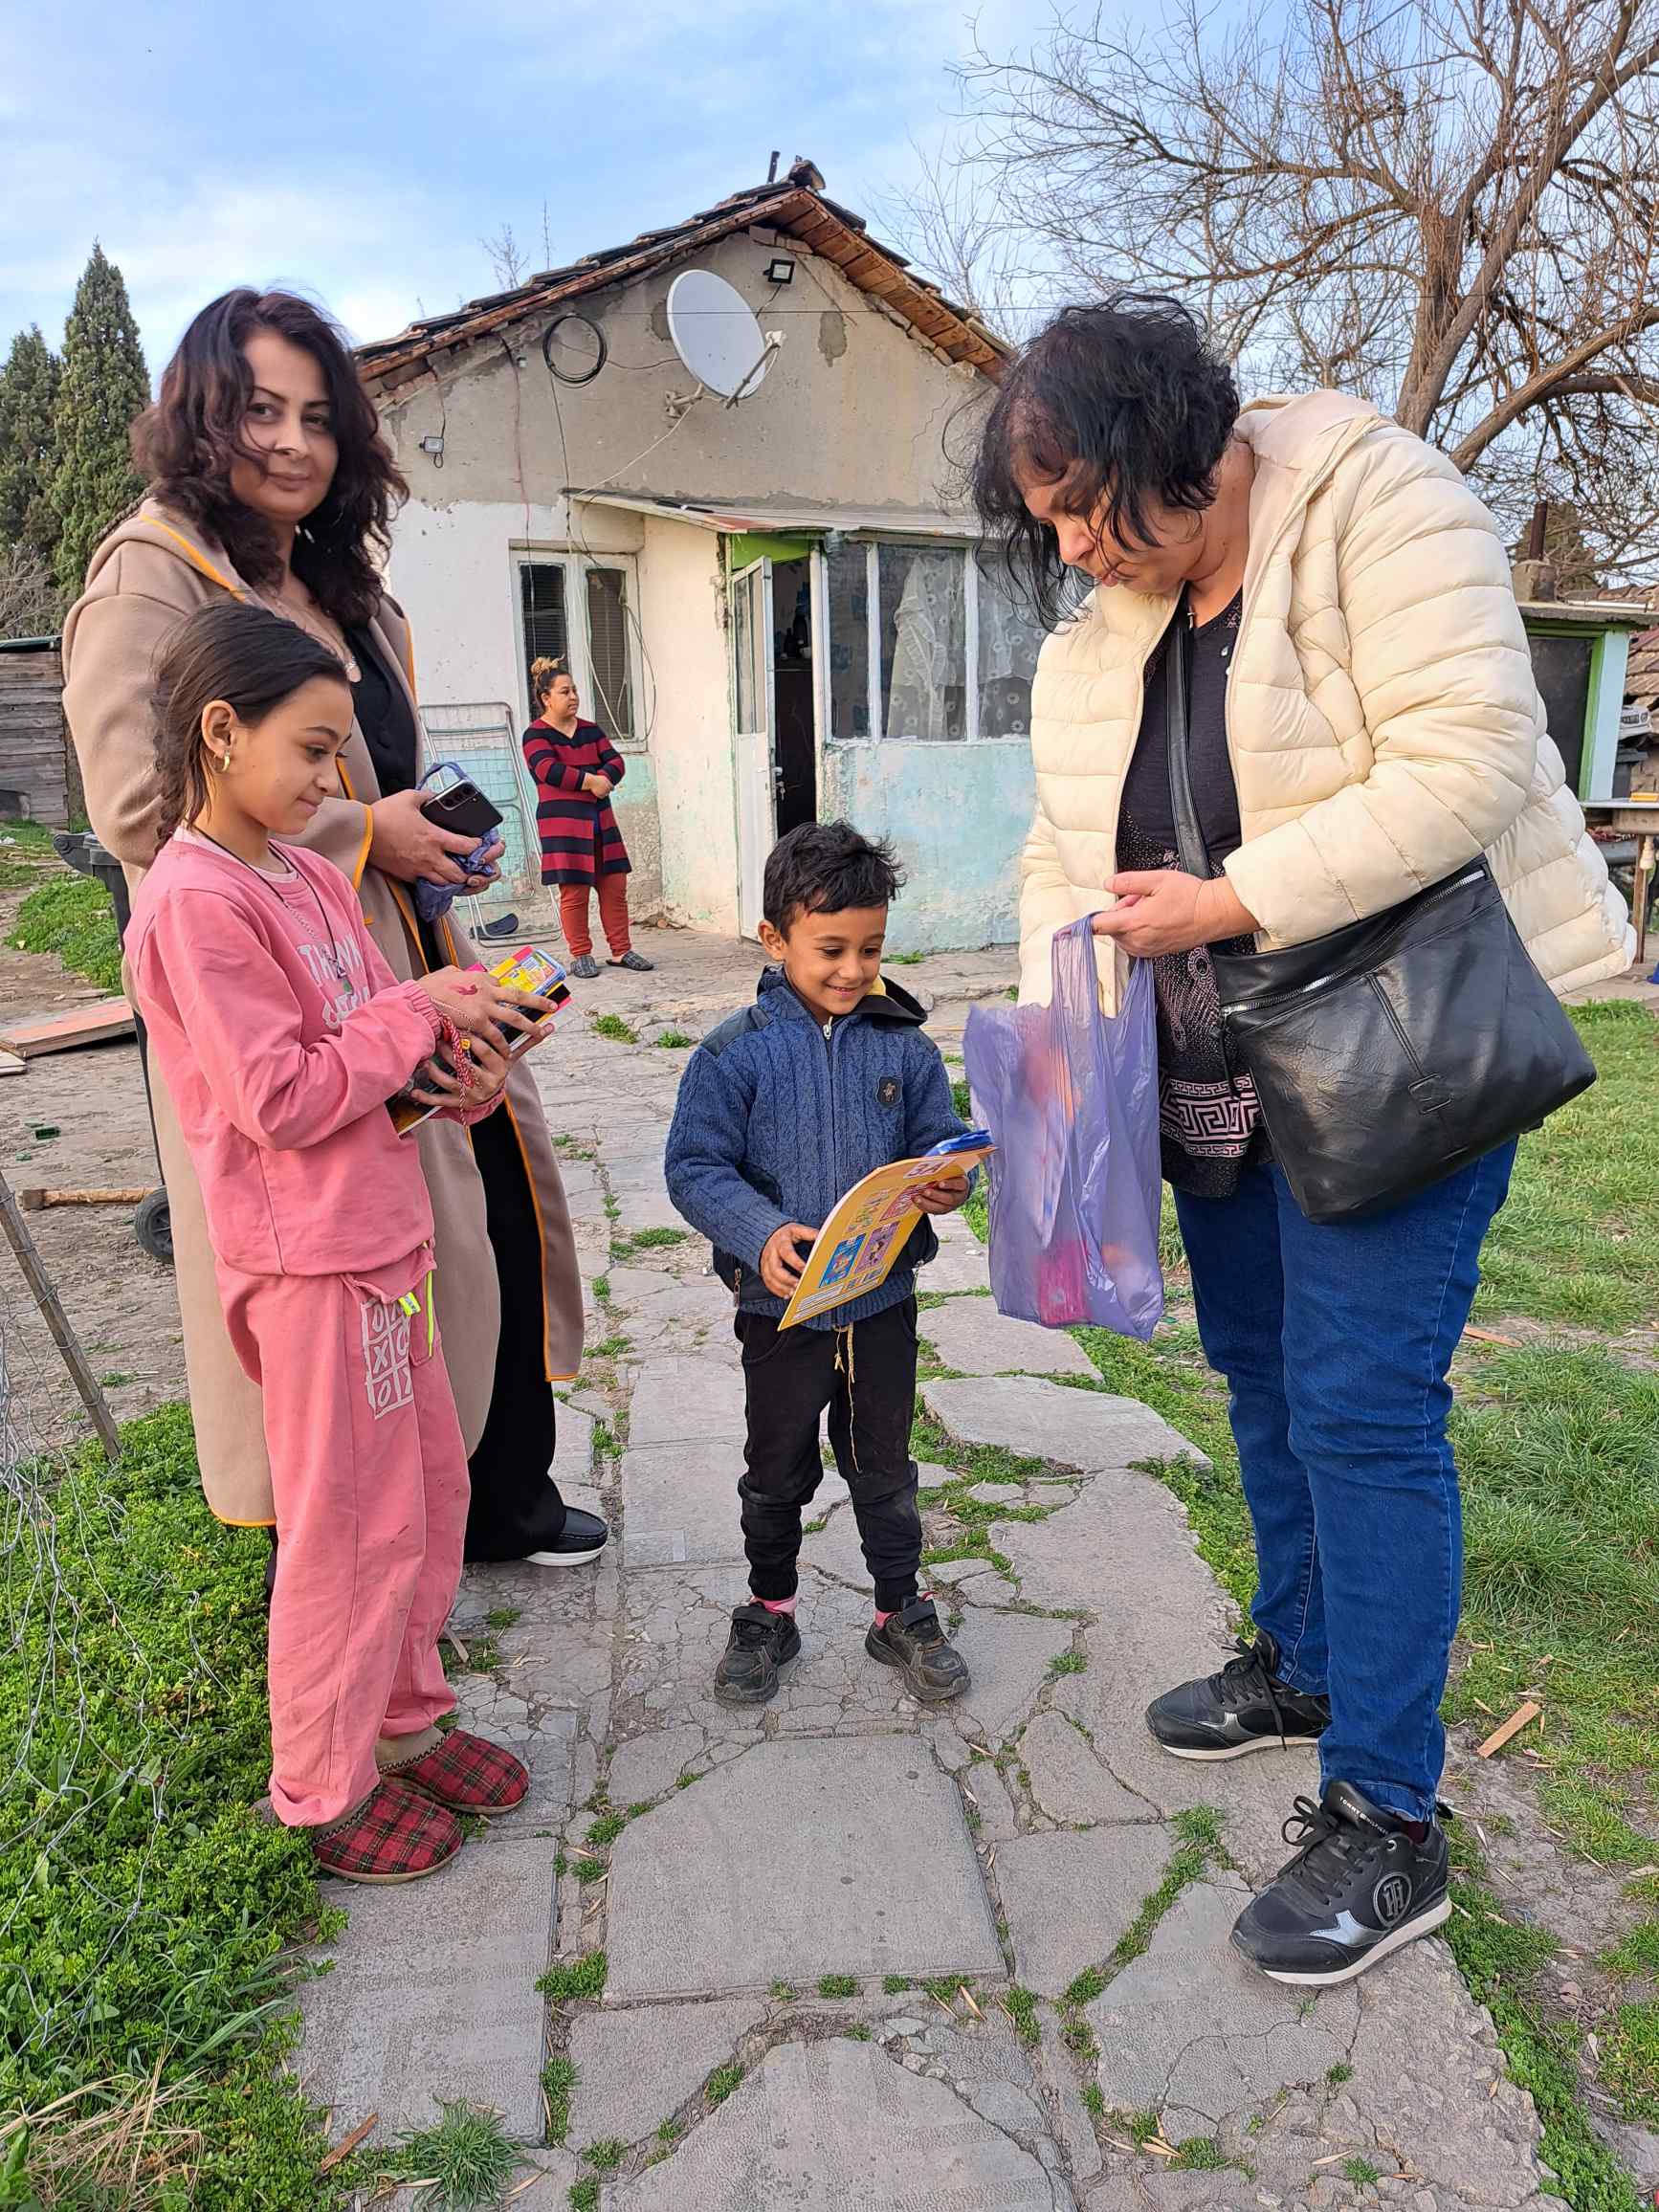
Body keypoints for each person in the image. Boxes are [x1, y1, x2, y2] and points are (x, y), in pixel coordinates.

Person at [973, 295, 1632, 1986]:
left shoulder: (1379, 501)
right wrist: (1057, 1040)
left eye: (1079, 507)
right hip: (1209, 1063)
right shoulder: (1100, 631)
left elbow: (1468, 762)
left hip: (1392, 1042)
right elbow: (1059, 849)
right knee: (1258, 1375)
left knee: (1360, 1406)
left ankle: (1388, 1814)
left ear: (1171, 452)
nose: (1068, 548)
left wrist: (1227, 900)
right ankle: (1303, 1659)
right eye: (1044, 520)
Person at [61, 288, 603, 1569]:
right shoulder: (150, 575)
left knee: (495, 1218)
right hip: (291, 994)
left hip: (411, 957)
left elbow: (373, 765)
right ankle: (364, 1565)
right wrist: (369, 835)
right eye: (260, 411)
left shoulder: (334, 580)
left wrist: (430, 840)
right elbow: (139, 807)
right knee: (365, 1272)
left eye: (317, 416)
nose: (292, 442)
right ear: (200, 417)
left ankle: (496, 1496)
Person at [128, 601, 555, 1880]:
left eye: (337, 752)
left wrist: (466, 1060)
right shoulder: (192, 902)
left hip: (382, 1243)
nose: (333, 780)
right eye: (313, 750)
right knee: (345, 1526)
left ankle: (406, 1723)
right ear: (220, 731)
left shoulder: (309, 875)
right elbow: (280, 1094)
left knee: (424, 1493)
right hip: (309, 1267)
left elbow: (374, 1064)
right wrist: (418, 1007)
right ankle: (323, 1783)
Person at [664, 821, 973, 1706]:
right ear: (775, 939)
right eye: (830, 949)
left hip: (880, 1302)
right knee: (776, 1466)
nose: (852, 970)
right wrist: (760, 1232)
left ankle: (899, 1610)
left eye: (870, 950)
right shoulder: (734, 1053)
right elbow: (694, 1168)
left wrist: (947, 1182)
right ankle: (770, 1608)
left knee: (885, 1463)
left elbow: (936, 1142)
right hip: (780, 1310)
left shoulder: (905, 1047)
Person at [521, 657, 653, 979]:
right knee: (575, 893)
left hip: (601, 823)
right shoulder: (535, 735)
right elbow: (549, 770)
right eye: (564, 691)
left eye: (575, 690)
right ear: (546, 698)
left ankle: (620, 951)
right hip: (563, 827)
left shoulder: (591, 731)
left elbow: (616, 762)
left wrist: (604, 778)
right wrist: (592, 781)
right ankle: (581, 954)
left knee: (615, 887)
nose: (573, 697)